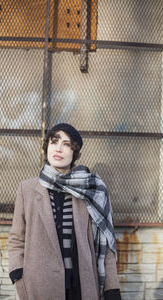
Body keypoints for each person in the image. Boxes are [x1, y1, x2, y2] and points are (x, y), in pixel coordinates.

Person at [8, 123, 121, 300]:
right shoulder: (27, 189)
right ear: (47, 147)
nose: (59, 148)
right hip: (39, 285)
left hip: (81, 286)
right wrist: (17, 274)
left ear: (74, 153)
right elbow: (16, 238)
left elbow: (106, 242)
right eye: (54, 142)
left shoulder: (90, 190)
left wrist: (111, 287)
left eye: (67, 144)